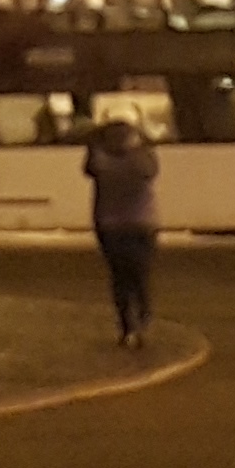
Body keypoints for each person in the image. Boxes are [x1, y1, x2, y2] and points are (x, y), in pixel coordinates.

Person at [84, 116, 162, 346]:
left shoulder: (101, 161)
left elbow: (88, 168)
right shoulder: (141, 161)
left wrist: (94, 142)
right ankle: (144, 316)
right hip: (142, 224)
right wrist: (144, 139)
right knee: (140, 274)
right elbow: (153, 166)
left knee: (119, 278)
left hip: (110, 227)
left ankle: (127, 325)